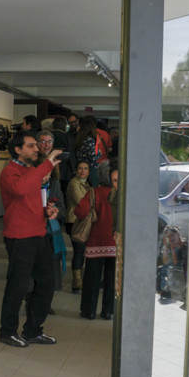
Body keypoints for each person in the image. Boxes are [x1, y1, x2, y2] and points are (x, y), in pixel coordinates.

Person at [0, 131, 62, 347]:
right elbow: (20, 189)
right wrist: (47, 166)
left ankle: (33, 330)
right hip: (19, 237)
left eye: (37, 146)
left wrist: (46, 211)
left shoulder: (31, 171)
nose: (37, 149)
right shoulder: (9, 172)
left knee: (46, 283)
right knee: (17, 286)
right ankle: (7, 331)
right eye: (31, 146)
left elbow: (29, 199)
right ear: (18, 149)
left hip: (38, 234)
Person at [75, 159, 118, 320]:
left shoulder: (94, 192)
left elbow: (80, 212)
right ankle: (108, 311)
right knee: (111, 280)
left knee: (91, 279)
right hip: (115, 243)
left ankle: (89, 311)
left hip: (96, 242)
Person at [66, 161, 91, 292]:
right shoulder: (74, 183)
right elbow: (82, 202)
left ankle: (81, 280)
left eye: (85, 168)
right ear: (76, 170)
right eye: (80, 168)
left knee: (82, 252)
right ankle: (77, 282)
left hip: (84, 222)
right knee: (79, 252)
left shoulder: (87, 184)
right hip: (74, 222)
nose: (82, 171)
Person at [74, 116, 100, 186]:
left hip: (80, 168)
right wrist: (99, 152)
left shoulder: (80, 139)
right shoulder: (90, 140)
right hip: (90, 169)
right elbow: (93, 157)